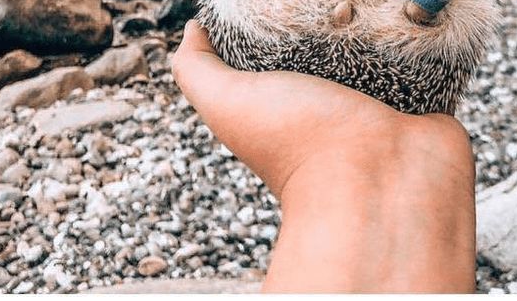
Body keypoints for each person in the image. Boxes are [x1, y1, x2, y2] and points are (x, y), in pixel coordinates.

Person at [172, 20, 477, 293]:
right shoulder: (443, 139)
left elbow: (190, 56)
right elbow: (191, 60)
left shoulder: (445, 141)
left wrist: (328, 144)